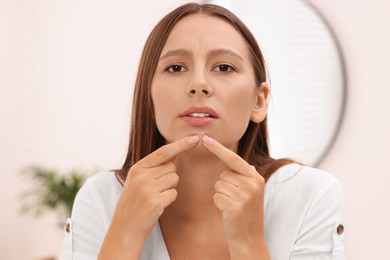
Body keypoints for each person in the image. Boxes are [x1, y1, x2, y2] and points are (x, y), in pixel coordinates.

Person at [59, 2, 346, 260]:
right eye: (175, 67)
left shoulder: (310, 197)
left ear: (259, 101)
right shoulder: (99, 199)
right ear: (149, 96)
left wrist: (248, 242)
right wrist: (124, 235)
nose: (198, 84)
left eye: (223, 67)